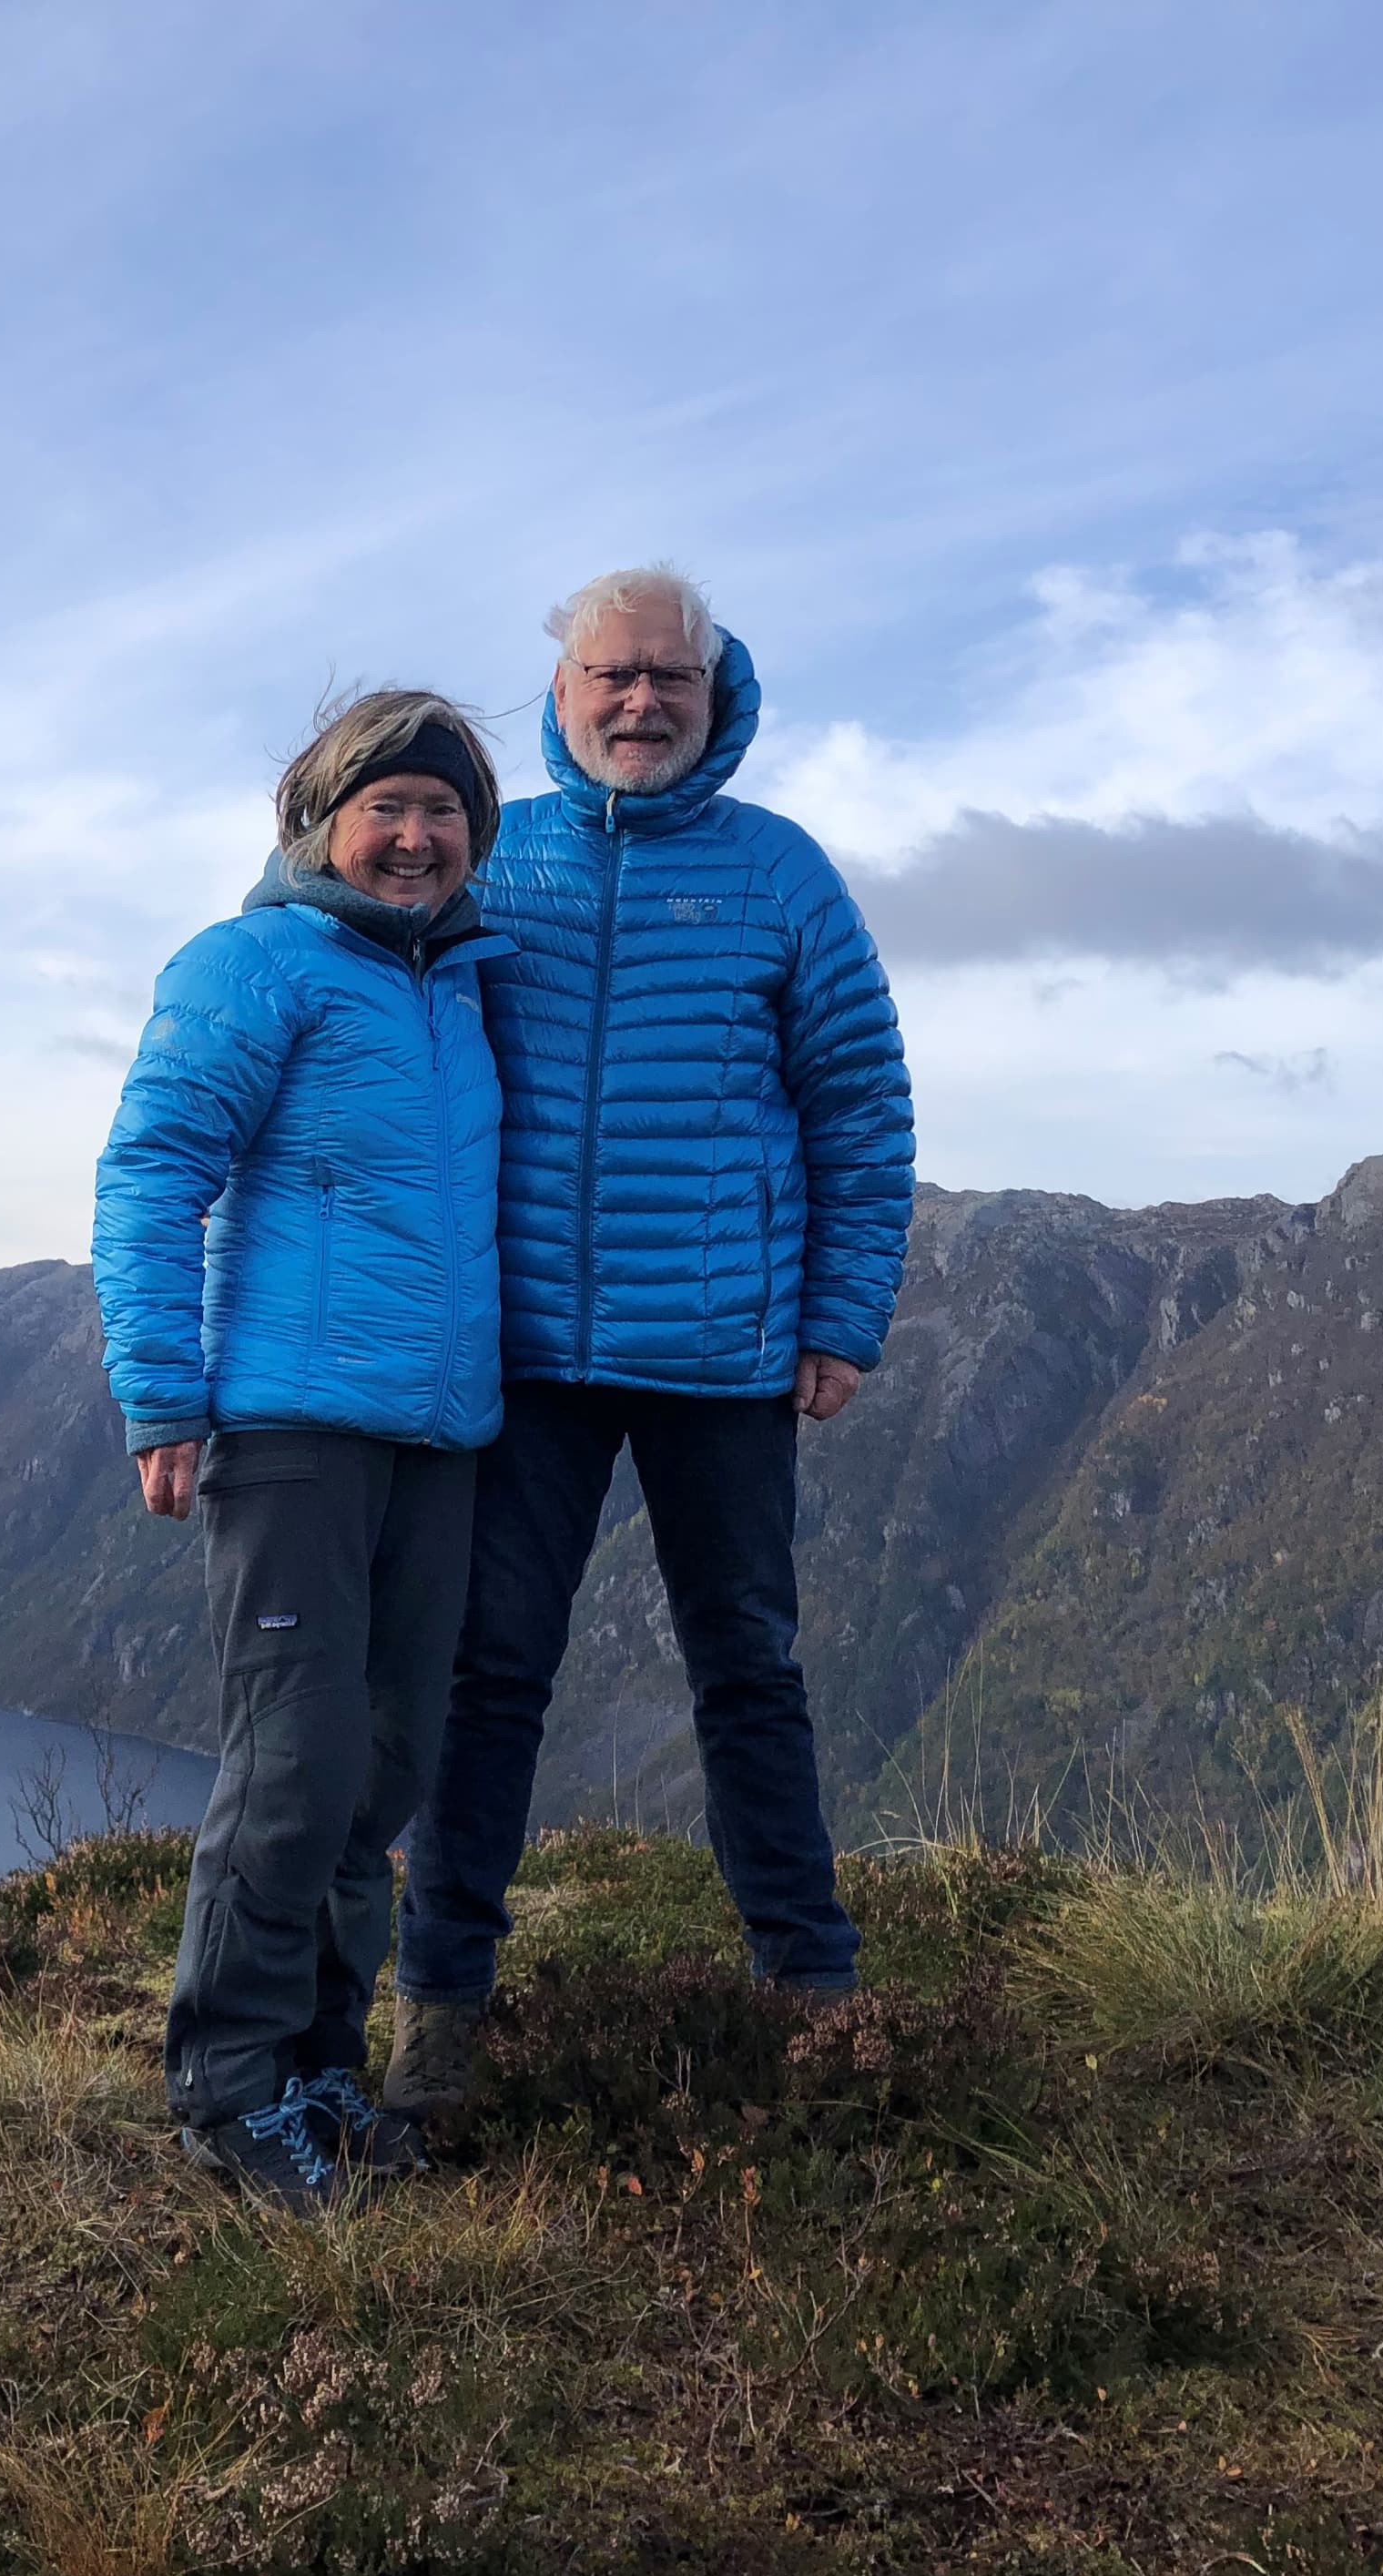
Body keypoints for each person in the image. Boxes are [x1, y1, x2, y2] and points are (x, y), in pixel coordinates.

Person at [389, 566, 915, 2129]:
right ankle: (441, 2013)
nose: (639, 704)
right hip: (529, 1355)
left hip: (726, 1352)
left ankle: (813, 1998)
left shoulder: (782, 877)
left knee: (748, 1671)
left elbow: (862, 1107)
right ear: (558, 696)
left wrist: (841, 1317)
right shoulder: (498, 863)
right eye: (610, 678)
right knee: (490, 1681)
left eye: (668, 679)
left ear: (716, 688)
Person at [93, 687, 513, 2212]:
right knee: (290, 1766)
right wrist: (165, 1394)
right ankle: (227, 2092)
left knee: (382, 1769)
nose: (415, 836)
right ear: (318, 818)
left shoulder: (459, 984)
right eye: (387, 806)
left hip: (441, 1434)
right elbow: (152, 1172)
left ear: (477, 840)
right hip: (291, 1434)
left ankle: (326, 2070)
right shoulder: (252, 964)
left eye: (446, 812)